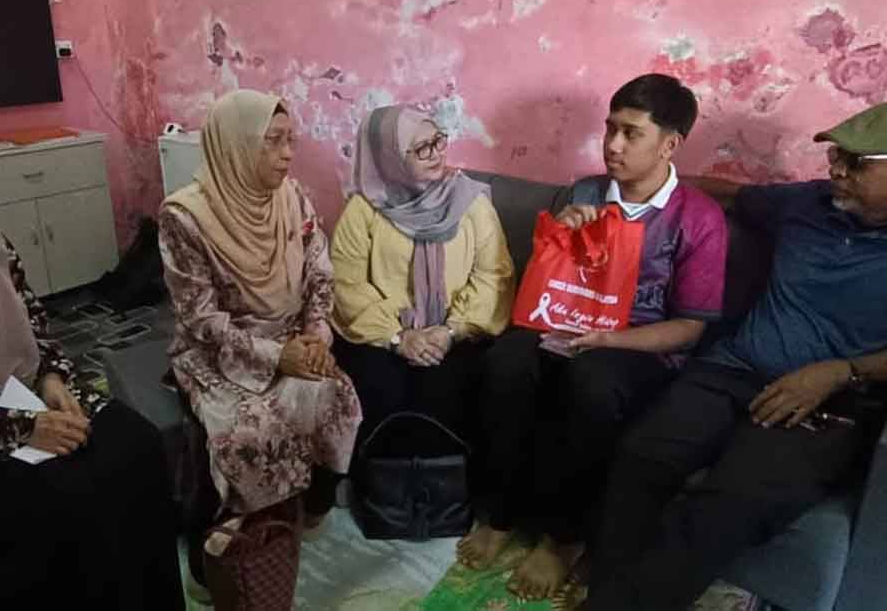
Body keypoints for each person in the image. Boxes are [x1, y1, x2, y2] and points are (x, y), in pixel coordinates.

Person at [0, 75, 183, 610]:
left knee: (134, 445)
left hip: (18, 392)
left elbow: (33, 319)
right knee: (66, 500)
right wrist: (21, 427)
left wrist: (50, 377)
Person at [581, 103, 887, 611]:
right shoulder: (807, 202)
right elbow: (722, 192)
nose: (836, 170)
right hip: (732, 368)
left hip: (829, 401)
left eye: (855, 163)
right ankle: (609, 595)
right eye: (837, 156)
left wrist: (843, 371)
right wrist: (629, 193)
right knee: (642, 455)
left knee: (731, 501)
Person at [457, 73, 729, 601]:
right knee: (506, 362)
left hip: (637, 347)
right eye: (610, 129)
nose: (613, 145)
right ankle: (502, 513)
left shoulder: (699, 218)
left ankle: (564, 538)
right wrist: (560, 235)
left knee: (592, 382)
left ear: (670, 144)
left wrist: (610, 341)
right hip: (565, 327)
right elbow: (545, 289)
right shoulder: (585, 192)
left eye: (631, 133)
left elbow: (690, 327)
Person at [159, 89, 362, 540]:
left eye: (291, 140)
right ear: (235, 145)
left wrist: (316, 334)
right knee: (246, 429)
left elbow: (320, 271)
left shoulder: (292, 197)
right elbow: (200, 317)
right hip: (223, 350)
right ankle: (238, 526)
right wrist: (276, 356)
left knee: (335, 394)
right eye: (272, 141)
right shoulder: (185, 217)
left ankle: (306, 506)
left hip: (294, 335)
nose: (287, 154)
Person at [330, 105, 515, 462]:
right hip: (381, 335)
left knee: (445, 388)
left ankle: (438, 487)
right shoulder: (363, 209)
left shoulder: (470, 201)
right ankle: (383, 485)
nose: (437, 154)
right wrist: (398, 337)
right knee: (378, 386)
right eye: (421, 148)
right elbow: (346, 284)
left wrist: (450, 331)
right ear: (390, 158)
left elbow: (494, 276)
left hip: (456, 334)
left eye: (438, 141)